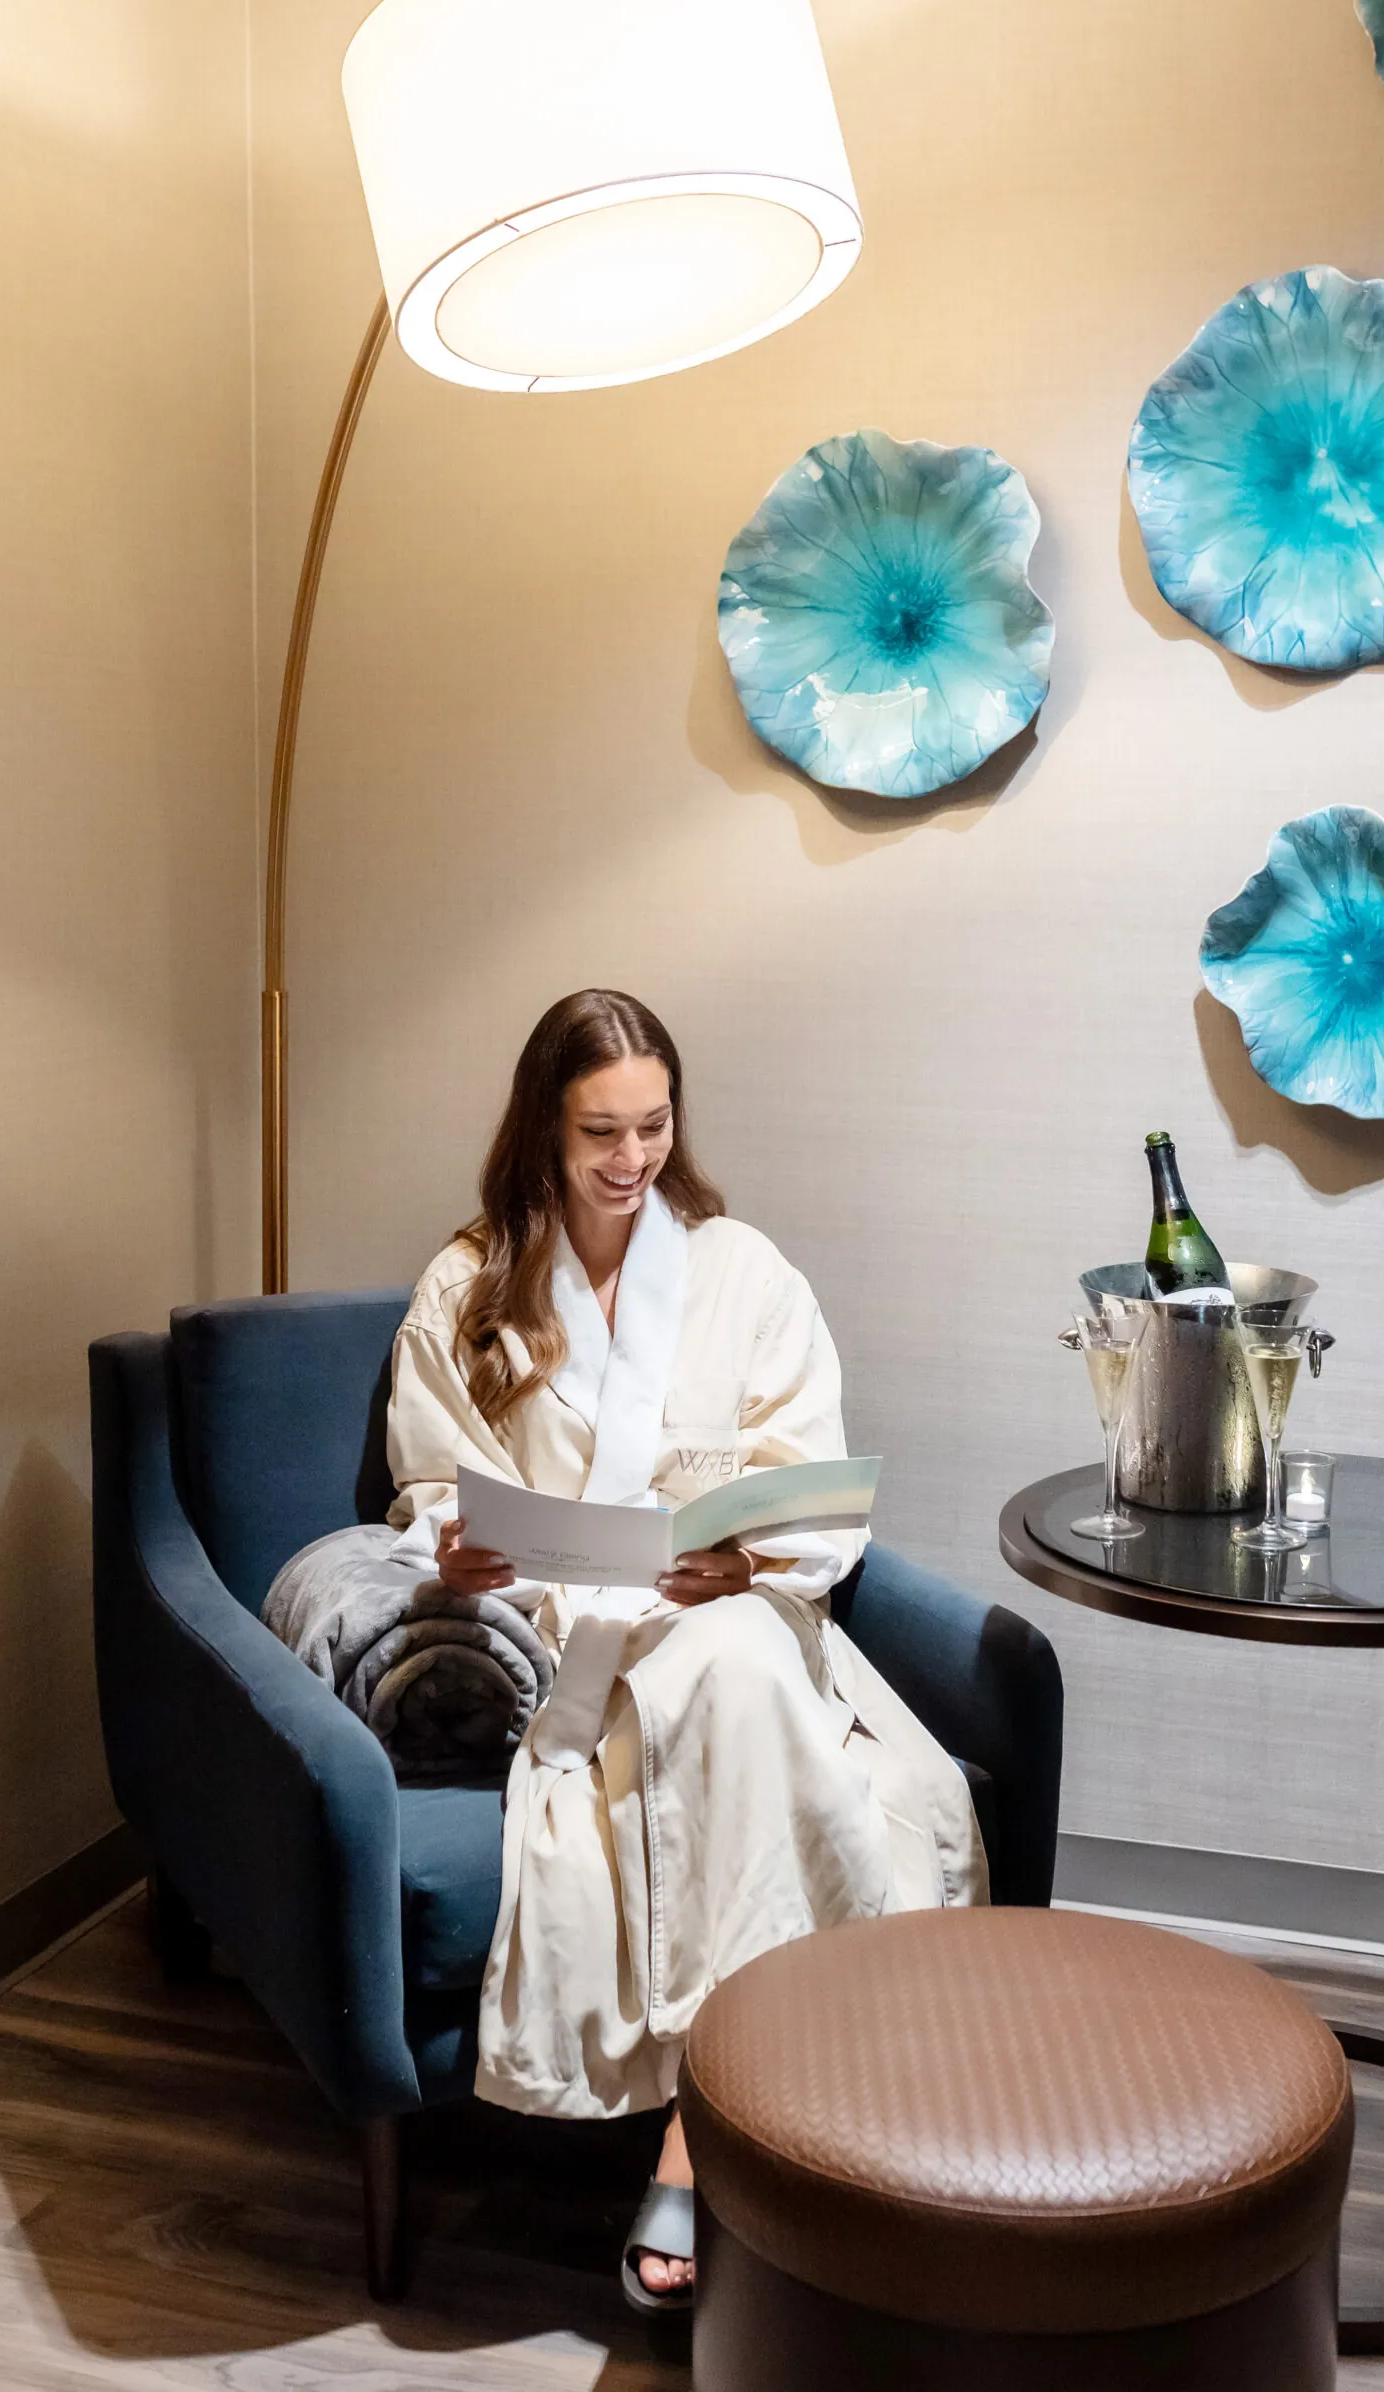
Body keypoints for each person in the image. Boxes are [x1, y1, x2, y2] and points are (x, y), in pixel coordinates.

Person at [387, 989, 987, 2310]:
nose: (631, 1159)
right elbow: (434, 1480)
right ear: (542, 1127)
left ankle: (699, 2142)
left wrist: (747, 1554)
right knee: (770, 1709)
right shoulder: (471, 1281)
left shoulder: (741, 1271)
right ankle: (786, 2135)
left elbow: (810, 1471)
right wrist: (461, 1544)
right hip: (577, 1627)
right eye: (602, 1131)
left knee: (743, 1661)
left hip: (738, 1605)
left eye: (653, 1126)